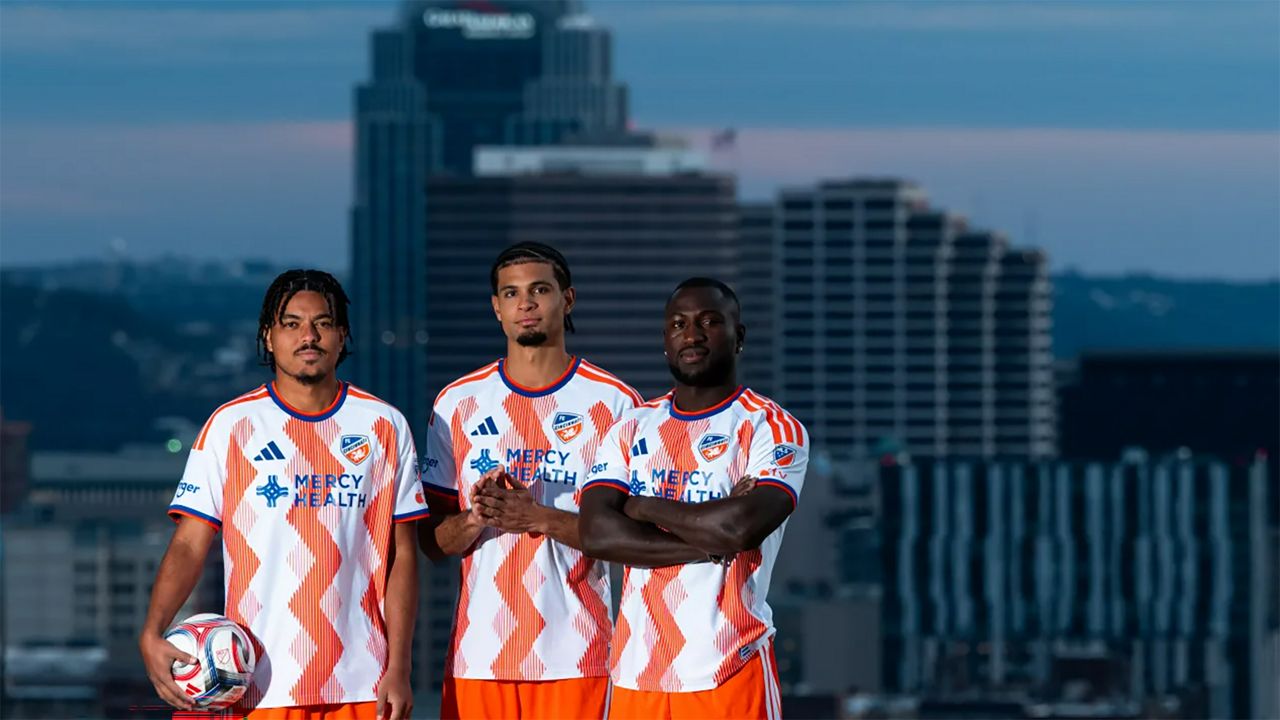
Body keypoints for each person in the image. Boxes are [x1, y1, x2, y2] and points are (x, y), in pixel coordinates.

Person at [139, 270, 428, 720]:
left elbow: (401, 557)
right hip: (257, 681)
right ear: (268, 338)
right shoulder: (230, 426)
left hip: (363, 682)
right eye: (292, 324)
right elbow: (190, 544)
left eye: (323, 323)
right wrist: (153, 630)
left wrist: (400, 667)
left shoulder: (384, 425)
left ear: (342, 336)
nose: (308, 336)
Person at [419, 242, 642, 720]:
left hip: (581, 656)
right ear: (496, 307)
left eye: (540, 290)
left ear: (568, 299)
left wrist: (537, 517)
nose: (526, 303)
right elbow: (432, 544)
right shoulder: (456, 403)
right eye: (511, 293)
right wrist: (477, 516)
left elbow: (633, 538)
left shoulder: (616, 404)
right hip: (478, 659)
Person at [580, 277, 809, 720]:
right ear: (665, 341)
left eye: (709, 322)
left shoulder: (771, 427)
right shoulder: (630, 427)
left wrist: (642, 506)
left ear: (738, 336)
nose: (692, 334)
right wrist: (710, 542)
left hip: (729, 666)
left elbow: (739, 528)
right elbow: (596, 534)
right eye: (678, 324)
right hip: (635, 675)